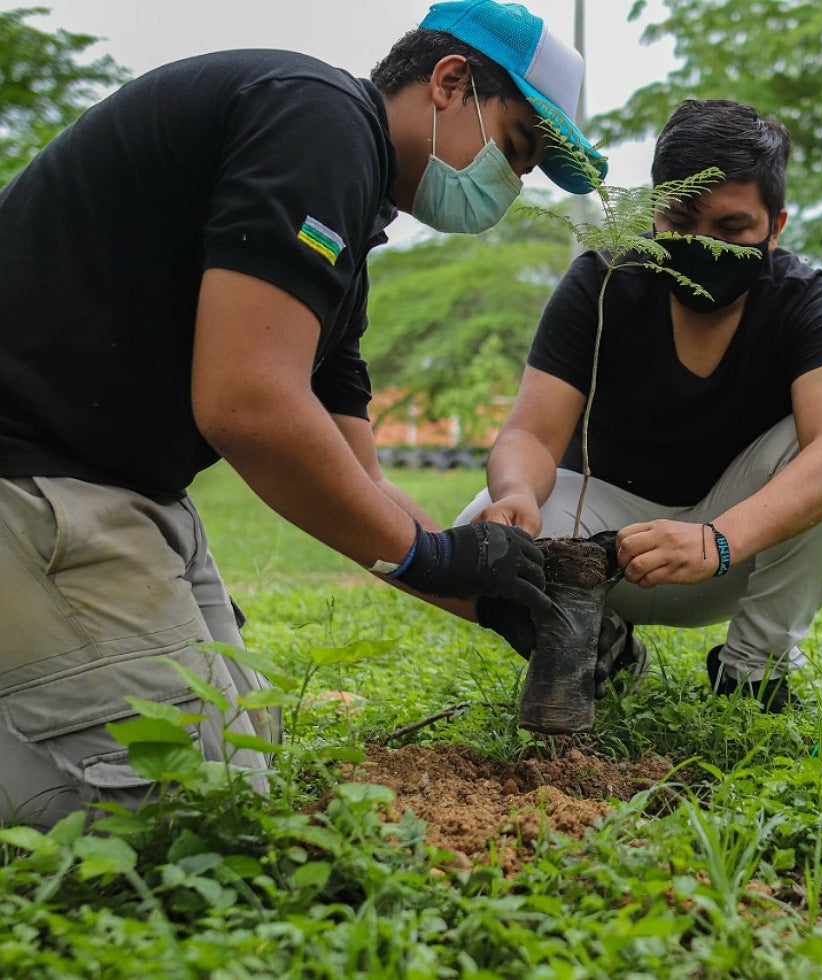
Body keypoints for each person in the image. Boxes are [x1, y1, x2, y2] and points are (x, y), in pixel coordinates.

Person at [0, 0, 606, 827]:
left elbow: (358, 478)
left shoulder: (348, 232)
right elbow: (248, 404)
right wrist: (431, 560)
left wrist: (494, 596)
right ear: (451, 82)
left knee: (251, 738)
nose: (512, 184)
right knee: (192, 800)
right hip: (34, 478)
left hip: (126, 495)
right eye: (514, 149)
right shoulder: (315, 121)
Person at [457, 99, 822, 713]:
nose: (702, 245)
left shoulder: (805, 304)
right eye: (681, 221)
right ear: (654, 211)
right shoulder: (600, 286)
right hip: (601, 547)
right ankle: (603, 646)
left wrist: (716, 539)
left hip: (735, 550)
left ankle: (751, 671)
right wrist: (517, 493)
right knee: (482, 523)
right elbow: (529, 432)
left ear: (776, 227)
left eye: (732, 230)